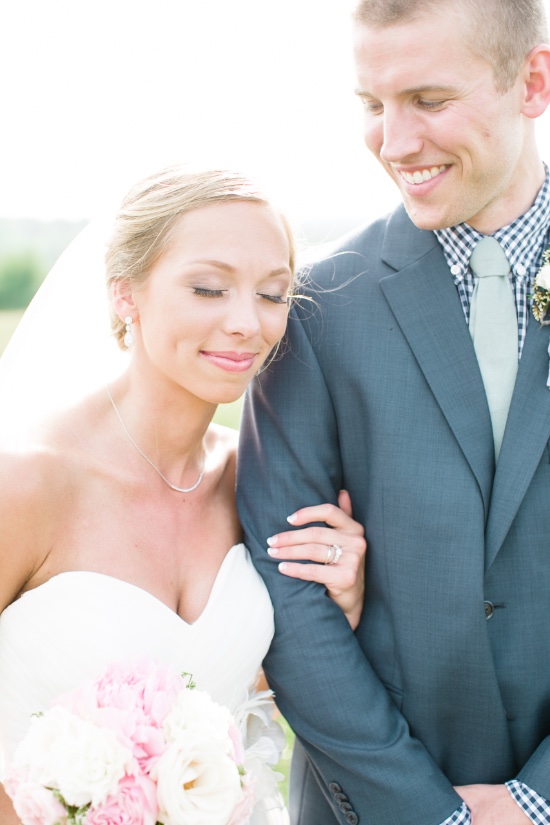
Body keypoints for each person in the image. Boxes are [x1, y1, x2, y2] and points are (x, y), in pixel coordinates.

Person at [237, 1, 550, 823]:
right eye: (372, 105)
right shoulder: (316, 310)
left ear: (534, 82)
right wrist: (425, 812)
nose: (394, 141)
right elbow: (288, 587)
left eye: (429, 100)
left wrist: (537, 800)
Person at [0, 166, 367, 825]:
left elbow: (233, 697)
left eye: (273, 294)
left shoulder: (256, 481)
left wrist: (344, 604)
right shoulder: (27, 481)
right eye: (208, 288)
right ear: (125, 295)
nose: (246, 323)